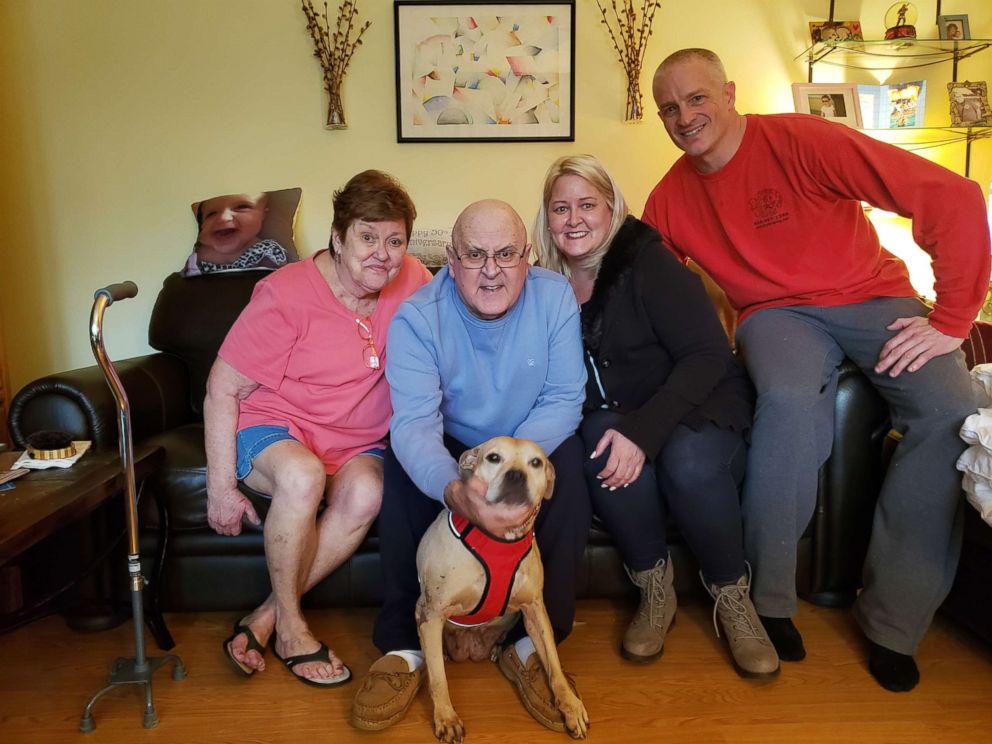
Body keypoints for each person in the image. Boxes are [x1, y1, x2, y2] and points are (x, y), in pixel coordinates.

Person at [644, 48, 991, 692]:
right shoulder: (668, 197)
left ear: (729, 92)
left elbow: (952, 193)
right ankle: (767, 602)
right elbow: (650, 289)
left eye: (696, 98)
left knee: (951, 411)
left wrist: (951, 317)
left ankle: (893, 622)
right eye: (670, 107)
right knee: (787, 401)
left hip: (873, 295)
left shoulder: (802, 139)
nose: (685, 116)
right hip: (775, 316)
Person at [532, 154, 778, 678]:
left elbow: (709, 355)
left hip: (700, 401)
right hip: (619, 416)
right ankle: (653, 587)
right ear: (547, 220)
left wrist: (642, 434)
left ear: (612, 207)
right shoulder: (544, 287)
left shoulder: (646, 262)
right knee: (593, 441)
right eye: (560, 208)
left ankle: (734, 597)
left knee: (687, 461)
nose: (574, 218)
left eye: (587, 204)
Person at [351, 200, 591, 731]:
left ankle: (530, 648)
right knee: (404, 462)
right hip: (454, 436)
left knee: (567, 467)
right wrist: (457, 489)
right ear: (450, 259)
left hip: (531, 433)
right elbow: (414, 423)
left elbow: (564, 399)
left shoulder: (554, 298)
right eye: (474, 255)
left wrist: (515, 467)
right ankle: (402, 646)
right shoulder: (418, 316)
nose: (490, 270)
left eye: (506, 254)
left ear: (527, 257)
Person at [204, 170, 431, 686]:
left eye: (394, 241)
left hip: (357, 441)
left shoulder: (415, 279)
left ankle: (264, 617)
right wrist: (219, 487)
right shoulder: (284, 295)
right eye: (367, 237)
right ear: (338, 236)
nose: (382, 254)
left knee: (371, 493)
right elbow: (222, 389)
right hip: (275, 427)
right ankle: (292, 630)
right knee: (303, 477)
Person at [184, 192, 288, 276]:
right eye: (211, 214)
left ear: (263, 215)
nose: (224, 218)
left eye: (242, 207)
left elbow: (283, 277)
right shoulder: (198, 257)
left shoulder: (267, 250)